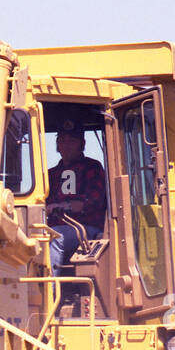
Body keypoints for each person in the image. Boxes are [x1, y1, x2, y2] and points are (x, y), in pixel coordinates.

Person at [46, 120, 107, 311]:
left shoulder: (93, 168)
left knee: (55, 238)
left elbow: (94, 202)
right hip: (54, 228)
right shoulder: (51, 174)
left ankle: (50, 294)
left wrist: (64, 206)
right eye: (62, 140)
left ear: (82, 144)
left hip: (86, 230)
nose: (66, 144)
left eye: (71, 140)